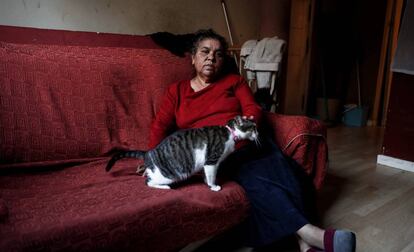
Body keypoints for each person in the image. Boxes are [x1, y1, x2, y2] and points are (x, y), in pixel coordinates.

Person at [148, 29, 356, 252]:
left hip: (245, 140)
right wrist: (152, 159)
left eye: (218, 54)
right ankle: (311, 236)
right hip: (215, 152)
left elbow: (252, 109)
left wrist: (245, 131)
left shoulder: (234, 82)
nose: (211, 57)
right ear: (193, 57)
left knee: (282, 168)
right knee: (258, 175)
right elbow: (159, 125)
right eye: (205, 52)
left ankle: (306, 244)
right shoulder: (177, 91)